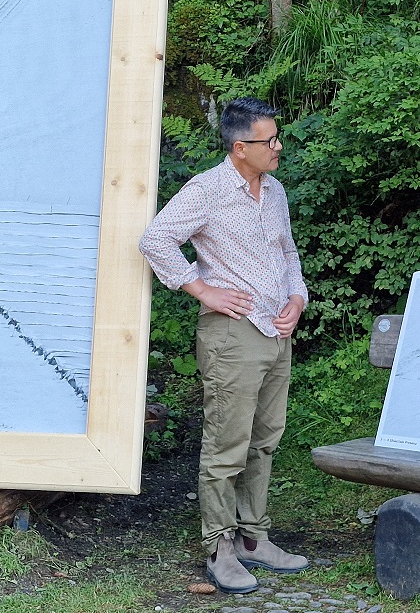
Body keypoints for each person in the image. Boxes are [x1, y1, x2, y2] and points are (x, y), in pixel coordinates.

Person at [139, 97, 309, 594]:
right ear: (240, 147)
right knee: (226, 444)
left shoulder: (273, 190)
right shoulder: (207, 190)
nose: (278, 147)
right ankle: (220, 547)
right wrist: (200, 287)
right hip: (233, 335)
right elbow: (155, 239)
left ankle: (254, 539)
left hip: (278, 331)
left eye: (277, 137)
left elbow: (287, 252)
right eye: (269, 141)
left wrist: (297, 298)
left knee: (266, 438)